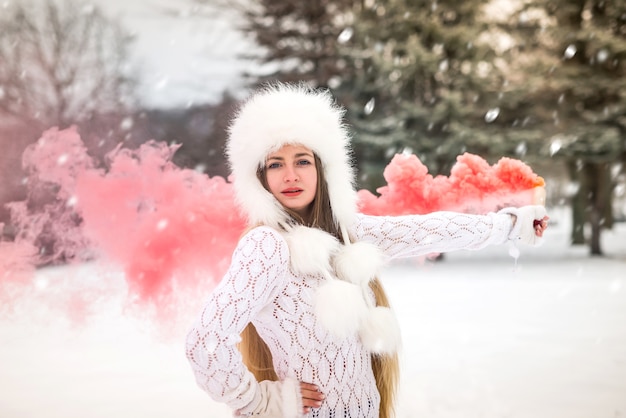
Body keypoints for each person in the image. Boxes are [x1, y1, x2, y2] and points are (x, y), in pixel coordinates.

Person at [185, 82, 549, 418]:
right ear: (260, 178)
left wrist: (510, 225)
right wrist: (260, 401)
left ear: (323, 169)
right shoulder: (267, 246)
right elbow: (205, 340)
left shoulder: (347, 234)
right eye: (275, 164)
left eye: (302, 161)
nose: (290, 175)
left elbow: (428, 231)